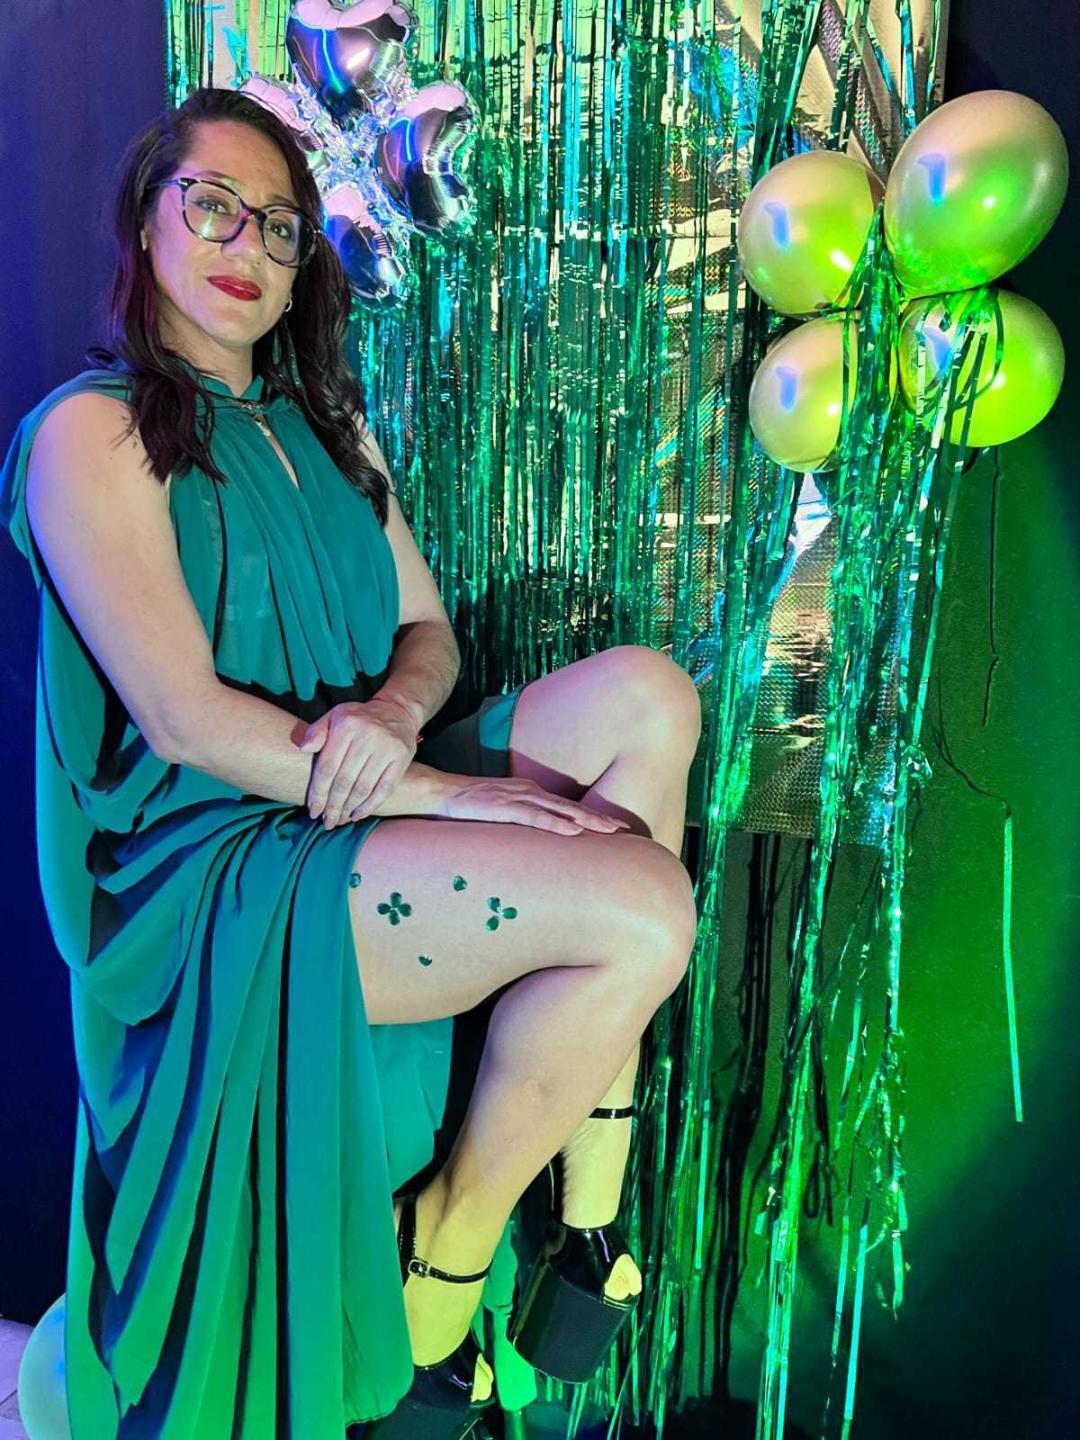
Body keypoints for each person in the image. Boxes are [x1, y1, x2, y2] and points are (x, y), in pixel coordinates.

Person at [0, 86, 701, 1438]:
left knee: (649, 697)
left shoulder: (328, 428)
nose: (246, 246)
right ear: (145, 222)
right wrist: (437, 788)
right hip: (217, 858)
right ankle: (447, 1258)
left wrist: (392, 724)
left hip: (350, 787)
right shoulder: (91, 431)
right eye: (212, 206)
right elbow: (183, 720)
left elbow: (427, 631)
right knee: (644, 910)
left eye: (278, 225)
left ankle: (589, 1201)